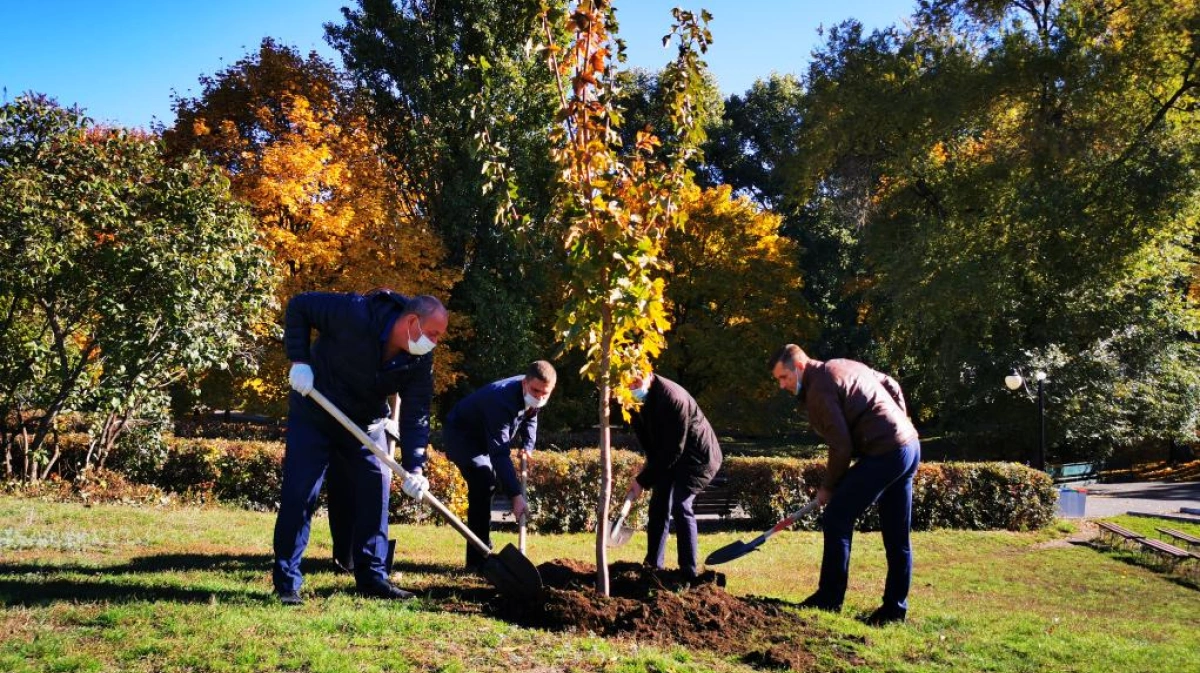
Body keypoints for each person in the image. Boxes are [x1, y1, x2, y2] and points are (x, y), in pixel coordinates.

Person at [272, 289, 447, 605]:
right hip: (316, 412)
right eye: (432, 333)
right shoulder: (355, 313)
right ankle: (287, 583)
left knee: (375, 490)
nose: (434, 342)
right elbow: (299, 306)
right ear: (411, 322)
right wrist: (299, 360)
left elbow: (417, 413)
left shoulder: (420, 361)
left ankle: (372, 578)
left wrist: (416, 466)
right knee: (300, 494)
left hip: (365, 426)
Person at [769, 344, 920, 625]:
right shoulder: (842, 364)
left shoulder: (819, 391)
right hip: (909, 447)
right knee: (897, 535)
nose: (782, 385)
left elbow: (841, 446)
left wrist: (828, 487)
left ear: (799, 367)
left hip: (885, 454)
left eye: (784, 377)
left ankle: (829, 599)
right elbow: (891, 383)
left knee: (837, 517)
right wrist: (902, 420)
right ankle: (894, 610)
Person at [441, 361, 556, 569]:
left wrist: (527, 445)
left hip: (482, 437)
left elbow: (531, 415)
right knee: (484, 483)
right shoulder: (501, 401)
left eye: (545, 394)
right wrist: (515, 496)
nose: (539, 397)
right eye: (536, 391)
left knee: (487, 486)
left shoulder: (534, 392)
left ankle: (482, 547)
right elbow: (500, 453)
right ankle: (477, 558)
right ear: (524, 383)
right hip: (462, 435)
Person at [619, 369, 723, 580]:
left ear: (648, 375)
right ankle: (653, 567)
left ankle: (688, 571)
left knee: (680, 504)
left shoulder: (672, 398)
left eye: (636, 382)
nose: (632, 388)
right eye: (627, 384)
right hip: (670, 456)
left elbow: (675, 449)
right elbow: (649, 442)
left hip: (697, 457)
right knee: (658, 505)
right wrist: (647, 475)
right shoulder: (631, 401)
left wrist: (642, 480)